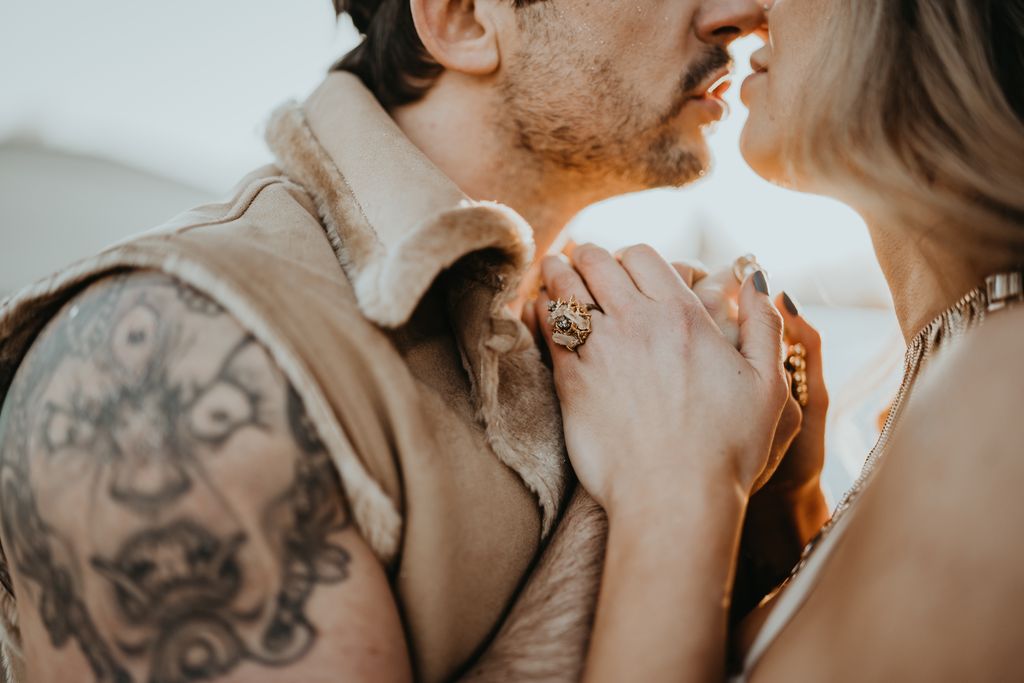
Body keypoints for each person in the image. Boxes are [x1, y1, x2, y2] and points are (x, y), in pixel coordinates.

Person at [0, 1, 780, 681]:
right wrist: (675, 482)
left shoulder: (642, 340)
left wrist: (772, 495)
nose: (743, 11)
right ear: (465, 17)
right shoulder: (168, 371)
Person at [527, 0, 1024, 680]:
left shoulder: (1007, 386)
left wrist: (677, 481)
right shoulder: (962, 365)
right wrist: (779, 510)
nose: (747, 12)